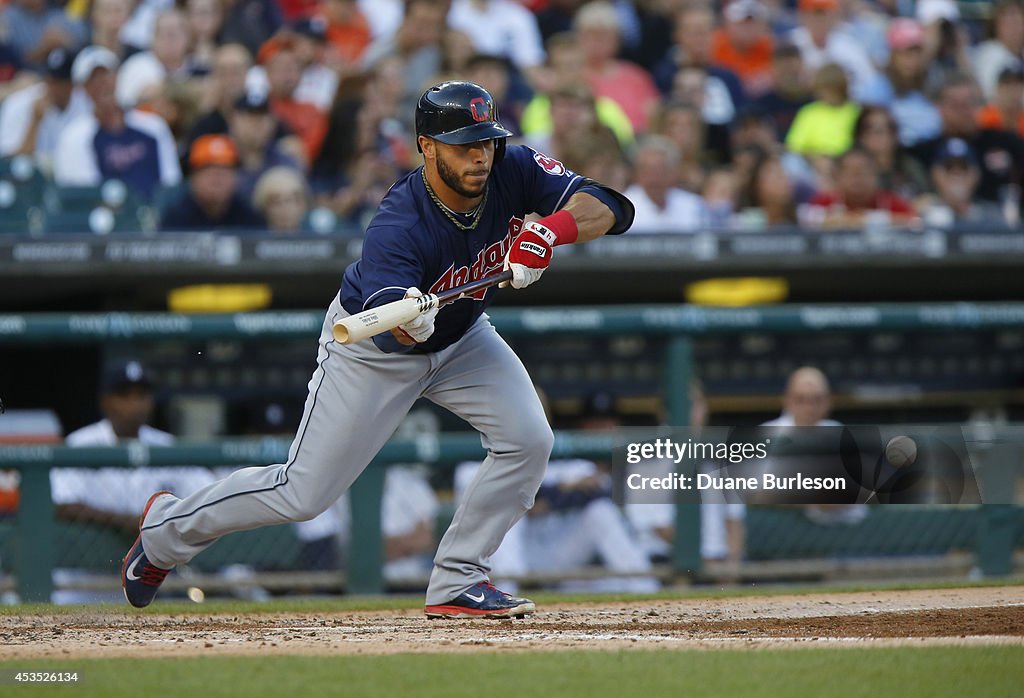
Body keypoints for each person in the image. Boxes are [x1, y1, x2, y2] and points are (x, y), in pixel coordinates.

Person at [121, 80, 634, 618]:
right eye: (464, 144)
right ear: (427, 146)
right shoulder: (399, 222)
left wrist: (549, 232)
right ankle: (164, 531)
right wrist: (412, 323)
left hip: (463, 337)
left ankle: (458, 579)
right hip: (375, 349)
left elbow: (611, 205)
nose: (480, 155)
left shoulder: (512, 166)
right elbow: (388, 328)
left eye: (485, 141)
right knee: (303, 494)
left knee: (529, 439)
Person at [53, 46, 182, 200]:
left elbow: (171, 182)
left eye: (106, 75)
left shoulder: (153, 125)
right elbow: (85, 195)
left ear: (117, 77)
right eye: (93, 78)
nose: (102, 83)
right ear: (82, 88)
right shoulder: (74, 136)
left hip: (157, 216)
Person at [762, 366, 866, 525]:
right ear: (787, 400)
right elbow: (758, 492)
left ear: (828, 402)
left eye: (817, 400)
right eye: (801, 399)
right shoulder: (768, 434)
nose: (809, 407)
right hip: (783, 528)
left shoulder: (839, 433)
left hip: (845, 527)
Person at [0, 47, 92, 171]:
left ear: (74, 84)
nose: (53, 87)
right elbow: (10, 166)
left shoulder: (86, 102)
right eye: (50, 80)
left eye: (61, 82)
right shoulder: (18, 103)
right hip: (31, 183)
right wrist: (35, 120)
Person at [160, 134, 266, 230]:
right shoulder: (175, 218)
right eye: (208, 171)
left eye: (224, 171)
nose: (217, 179)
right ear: (193, 177)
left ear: (236, 176)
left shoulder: (250, 217)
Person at [803, 147, 916, 229]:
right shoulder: (824, 201)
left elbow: (914, 222)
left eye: (863, 172)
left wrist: (863, 219)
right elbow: (808, 219)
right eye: (851, 173)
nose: (858, 179)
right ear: (837, 176)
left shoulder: (891, 201)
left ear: (875, 174)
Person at [624, 134, 708, 233]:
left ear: (673, 173)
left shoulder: (693, 205)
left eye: (661, 171)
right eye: (647, 171)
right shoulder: (624, 209)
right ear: (636, 174)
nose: (654, 178)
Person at [918, 138, 1006, 227]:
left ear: (976, 174)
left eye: (964, 167)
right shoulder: (922, 213)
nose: (957, 173)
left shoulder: (991, 215)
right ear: (935, 174)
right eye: (949, 167)